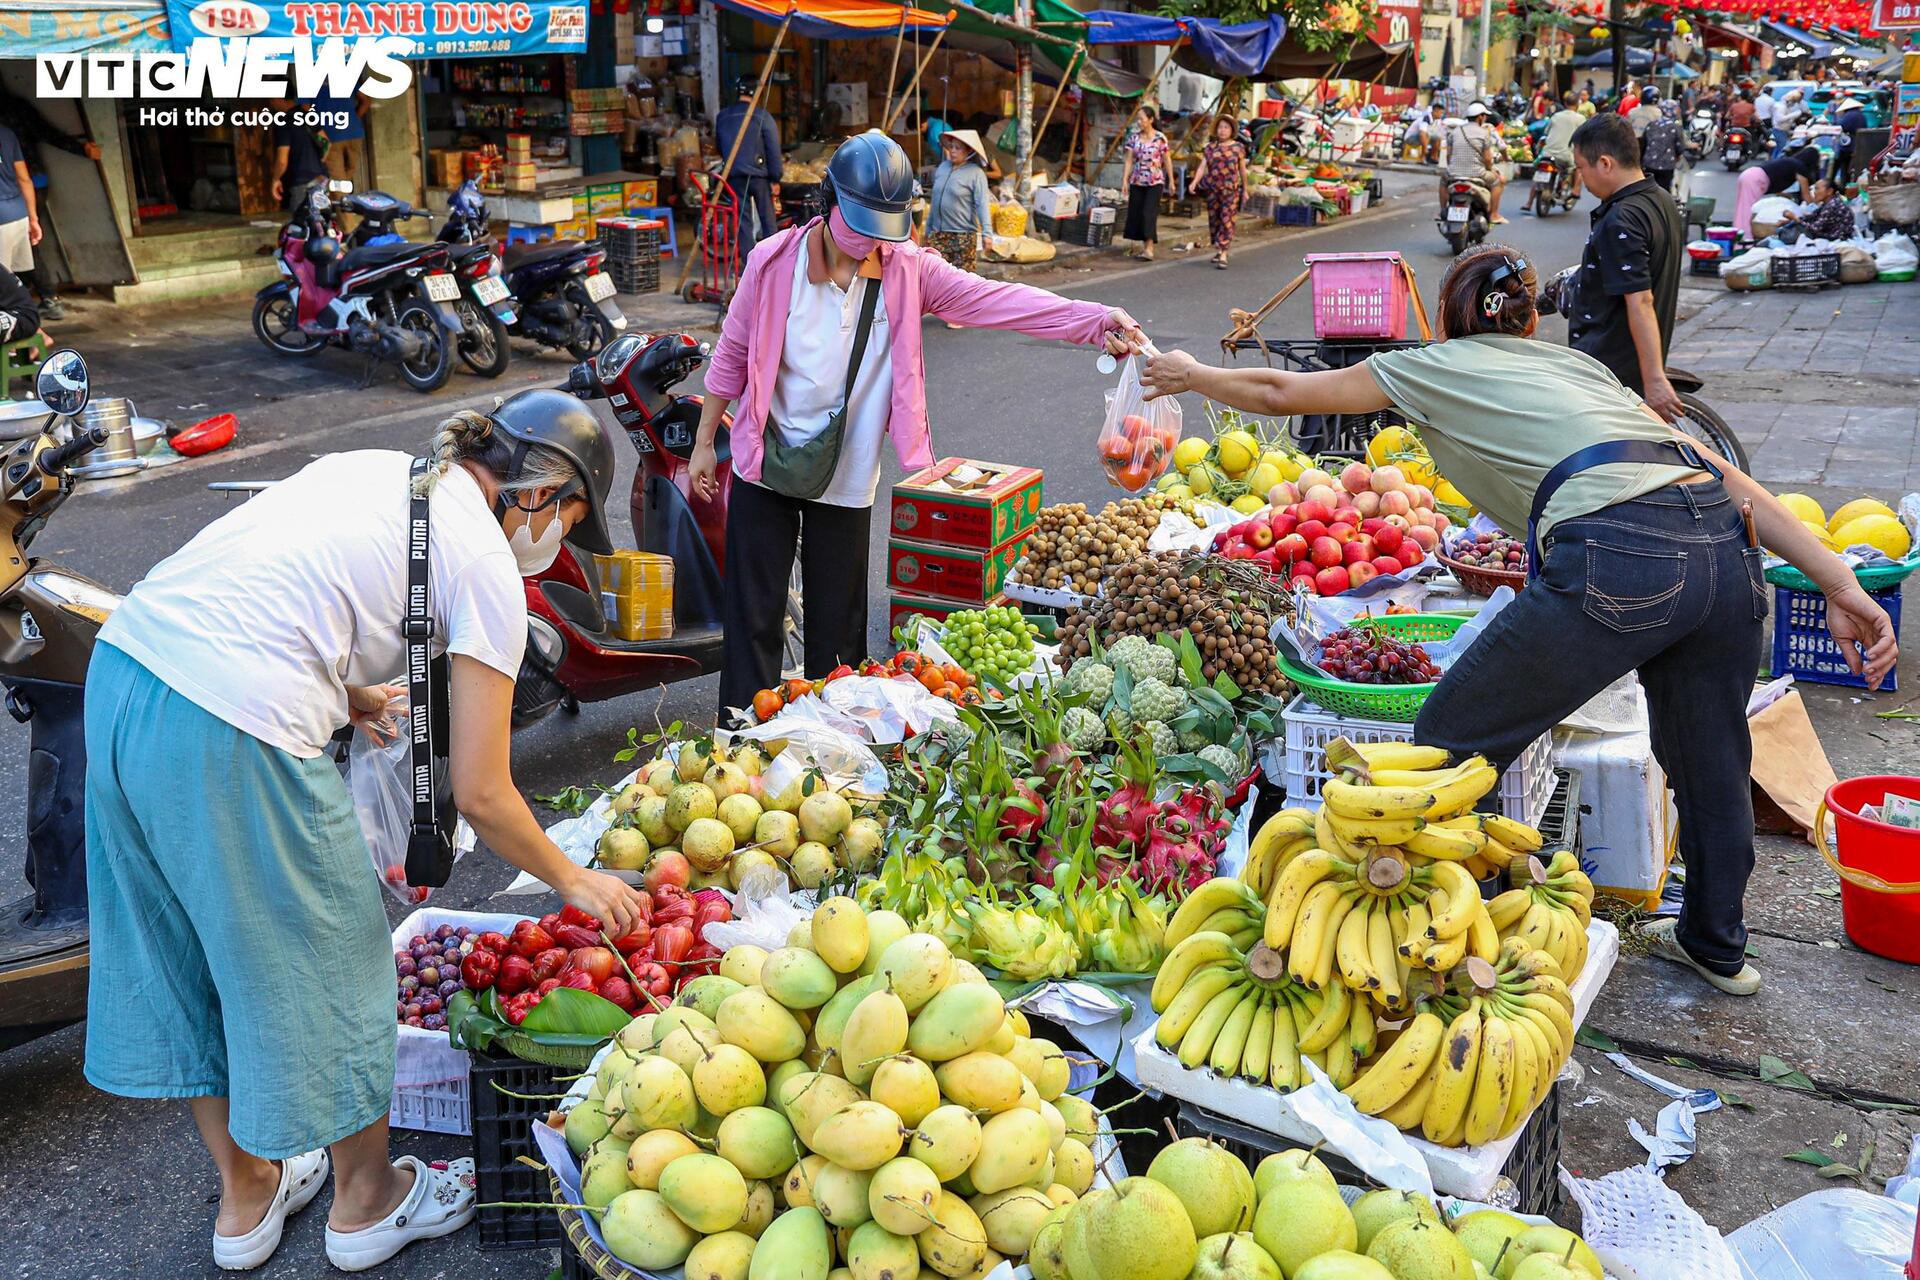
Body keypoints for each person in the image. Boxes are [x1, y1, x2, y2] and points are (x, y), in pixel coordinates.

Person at [1138, 245, 1898, 1000]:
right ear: (1530, 319)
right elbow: (1724, 472)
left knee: (1456, 728)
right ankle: (1717, 949)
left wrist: (1190, 375)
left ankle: (1434, 935)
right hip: (1723, 548)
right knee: (1710, 759)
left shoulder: (1432, 364)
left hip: (1618, 552)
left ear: (1448, 317)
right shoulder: (1581, 370)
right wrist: (1839, 581)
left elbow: (1277, 390)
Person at [83, 391, 649, 1273]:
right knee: (344, 955)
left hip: (123, 676)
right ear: (539, 494)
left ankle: (246, 1192)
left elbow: (280, 584)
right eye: (572, 519)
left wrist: (347, 690)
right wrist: (575, 880)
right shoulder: (490, 567)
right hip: (234, 719)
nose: (559, 544)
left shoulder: (379, 471)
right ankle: (368, 1199)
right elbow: (485, 789)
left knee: (179, 954)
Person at [690, 132, 1144, 713]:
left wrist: (1093, 319)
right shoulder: (772, 262)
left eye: (883, 230)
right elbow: (731, 353)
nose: (869, 247)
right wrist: (707, 440)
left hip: (847, 478)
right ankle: (739, 737)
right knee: (753, 619)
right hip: (764, 460)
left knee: (838, 633)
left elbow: (998, 301)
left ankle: (834, 750)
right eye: (861, 229)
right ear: (827, 203)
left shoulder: (910, 271)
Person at [1567, 113, 1685, 418]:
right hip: (1625, 363)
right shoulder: (1660, 198)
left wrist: (1655, 380)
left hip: (1610, 371)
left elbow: (1641, 300)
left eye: (1581, 167)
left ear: (1605, 163)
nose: (1581, 178)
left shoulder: (1622, 219)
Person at [925, 129, 993, 329]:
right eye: (951, 147)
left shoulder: (976, 174)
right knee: (938, 274)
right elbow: (935, 199)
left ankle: (960, 314)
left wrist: (987, 233)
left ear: (969, 151)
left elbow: (982, 204)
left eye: (957, 148)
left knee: (962, 277)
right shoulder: (943, 168)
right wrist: (929, 229)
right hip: (939, 231)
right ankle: (946, 308)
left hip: (963, 233)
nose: (952, 151)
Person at [715, 77, 783, 259]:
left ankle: (749, 264)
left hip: (734, 175)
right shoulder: (762, 116)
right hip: (759, 177)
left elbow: (720, 147)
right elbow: (773, 150)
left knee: (742, 222)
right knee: (768, 220)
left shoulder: (723, 116)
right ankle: (773, 260)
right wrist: (776, 178)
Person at [1189, 115, 1248, 268]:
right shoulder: (1210, 148)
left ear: (1232, 130)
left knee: (1227, 220)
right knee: (1214, 220)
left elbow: (1242, 170)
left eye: (1226, 127)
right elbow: (1203, 166)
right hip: (1212, 189)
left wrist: (1245, 190)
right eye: (1220, 127)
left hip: (1230, 190)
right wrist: (1195, 182)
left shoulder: (1238, 147)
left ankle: (1223, 253)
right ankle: (1218, 247)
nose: (1222, 131)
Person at [1122, 106, 1175, 260]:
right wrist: (1125, 179)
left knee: (1148, 213)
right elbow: (1129, 160)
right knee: (1137, 214)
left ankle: (1149, 248)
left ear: (1151, 120)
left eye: (1142, 119)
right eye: (1137, 119)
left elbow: (1167, 159)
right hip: (1137, 180)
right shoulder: (1134, 138)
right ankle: (1145, 247)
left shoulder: (1160, 138)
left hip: (1155, 181)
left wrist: (1171, 181)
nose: (1139, 122)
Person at [1442, 101, 1507, 224]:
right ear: (1480, 117)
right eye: (1484, 116)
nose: (1485, 118)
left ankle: (1442, 210)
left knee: (1443, 181)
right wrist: (1490, 169)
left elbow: (1449, 156)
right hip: (1477, 173)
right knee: (1498, 181)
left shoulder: (1455, 131)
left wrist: (1452, 168)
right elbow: (1488, 159)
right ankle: (1494, 214)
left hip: (1454, 173)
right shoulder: (1484, 133)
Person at [1734, 144, 1820, 236]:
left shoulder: (1790, 162)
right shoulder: (1800, 167)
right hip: (1754, 179)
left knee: (1742, 209)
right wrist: (1816, 208)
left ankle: (1739, 236)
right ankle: (1743, 239)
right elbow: (1805, 194)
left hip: (1750, 174)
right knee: (1745, 211)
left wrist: (1787, 196)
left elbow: (1777, 185)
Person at [1528, 96, 1587, 210]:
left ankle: (1529, 203)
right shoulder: (1580, 119)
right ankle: (1576, 190)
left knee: (1538, 174)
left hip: (1546, 154)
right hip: (1566, 156)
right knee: (1579, 168)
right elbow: (1584, 137)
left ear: (1565, 103)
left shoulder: (1556, 116)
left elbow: (1546, 132)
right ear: (1577, 105)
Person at [269, 98, 328, 209]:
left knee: (301, 220)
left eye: (271, 100)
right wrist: (319, 164)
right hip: (320, 178)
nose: (271, 104)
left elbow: (282, 161)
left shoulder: (284, 123)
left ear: (278, 99)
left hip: (301, 181)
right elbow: (326, 142)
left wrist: (276, 179)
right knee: (321, 218)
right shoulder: (306, 115)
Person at [313, 90, 366, 187]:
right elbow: (365, 101)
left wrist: (317, 131)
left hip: (330, 136)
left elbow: (305, 110)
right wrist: (353, 120)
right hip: (354, 134)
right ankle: (344, 197)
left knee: (338, 180)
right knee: (349, 172)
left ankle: (341, 199)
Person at [1780, 175, 1856, 241]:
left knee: (1789, 236)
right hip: (1828, 233)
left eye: (1817, 189)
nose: (1814, 192)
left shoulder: (1832, 205)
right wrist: (1791, 220)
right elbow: (1811, 217)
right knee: (1791, 228)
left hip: (1835, 237)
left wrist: (1795, 218)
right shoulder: (1828, 203)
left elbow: (1814, 229)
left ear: (1829, 191)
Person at [1639, 99, 1684, 192]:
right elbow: (1680, 146)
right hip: (1666, 166)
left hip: (1648, 164)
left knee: (1648, 190)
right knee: (1663, 191)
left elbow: (1644, 142)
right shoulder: (1675, 127)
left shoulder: (1651, 124)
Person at [1832, 95, 1869, 178]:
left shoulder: (1849, 115)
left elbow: (1843, 126)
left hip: (1849, 144)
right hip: (1858, 142)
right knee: (1849, 165)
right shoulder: (1861, 115)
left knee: (1843, 165)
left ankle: (1842, 184)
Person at [1772, 87, 1807, 157]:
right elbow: (1780, 119)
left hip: (1783, 130)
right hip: (1779, 130)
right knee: (1781, 150)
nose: (1794, 104)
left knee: (1778, 149)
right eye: (1794, 102)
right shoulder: (1781, 107)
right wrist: (1793, 115)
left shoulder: (1786, 107)